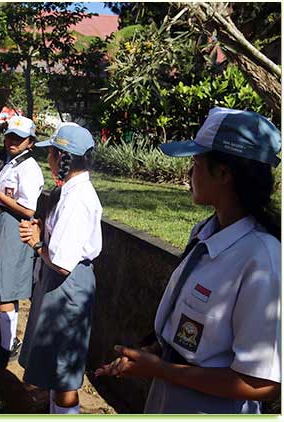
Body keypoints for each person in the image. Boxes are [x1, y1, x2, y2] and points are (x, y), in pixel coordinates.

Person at [95, 107, 281, 414]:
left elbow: (262, 384)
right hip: (169, 397)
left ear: (223, 173)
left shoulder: (262, 260)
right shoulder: (205, 234)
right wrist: (154, 353)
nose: (188, 174)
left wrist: (162, 370)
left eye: (195, 164)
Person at [18, 123, 103, 414]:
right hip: (60, 283)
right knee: (56, 367)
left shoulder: (78, 198)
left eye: (51, 153)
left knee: (64, 371)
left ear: (60, 156)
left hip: (67, 284)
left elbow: (63, 263)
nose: (48, 159)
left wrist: (36, 243)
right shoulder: (70, 192)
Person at [0, 115, 44, 368]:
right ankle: (6, 341)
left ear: (30, 142)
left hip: (16, 227)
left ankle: (8, 347)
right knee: (3, 288)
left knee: (7, 290)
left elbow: (29, 209)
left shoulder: (28, 168)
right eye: (10, 136)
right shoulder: (12, 163)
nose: (12, 141)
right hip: (4, 223)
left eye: (19, 138)